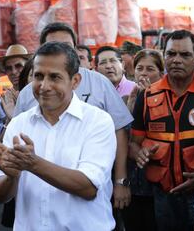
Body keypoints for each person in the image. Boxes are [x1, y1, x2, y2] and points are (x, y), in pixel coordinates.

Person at [13, 22, 133, 227]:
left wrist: (120, 181)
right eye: (53, 46)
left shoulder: (99, 84)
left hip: (85, 210)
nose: (46, 86)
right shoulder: (27, 94)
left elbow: (119, 131)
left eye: (67, 46)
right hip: (38, 210)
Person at [0, 41, 117, 230]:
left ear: (75, 81)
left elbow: (88, 188)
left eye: (55, 77)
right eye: (38, 76)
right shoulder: (19, 123)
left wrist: (32, 164)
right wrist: (11, 177)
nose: (44, 86)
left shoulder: (98, 121)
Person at [130, 30, 194, 231]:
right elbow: (133, 143)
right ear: (164, 56)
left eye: (184, 55)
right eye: (171, 54)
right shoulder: (147, 95)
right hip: (163, 193)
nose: (176, 60)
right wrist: (139, 153)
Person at [123, 49, 165, 231]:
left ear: (161, 73)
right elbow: (123, 136)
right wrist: (132, 105)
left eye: (150, 69)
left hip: (156, 181)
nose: (144, 73)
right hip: (132, 180)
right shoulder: (126, 98)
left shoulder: (167, 99)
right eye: (139, 68)